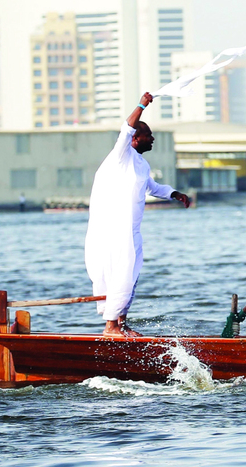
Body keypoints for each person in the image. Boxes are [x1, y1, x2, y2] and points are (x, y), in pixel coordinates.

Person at [85, 93, 191, 337]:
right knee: (120, 276)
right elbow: (126, 128)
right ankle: (111, 326)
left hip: (131, 232)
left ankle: (121, 324)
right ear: (136, 139)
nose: (152, 138)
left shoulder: (141, 164)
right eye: (148, 135)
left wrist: (175, 194)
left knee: (130, 278)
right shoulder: (120, 156)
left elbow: (153, 187)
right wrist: (142, 105)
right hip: (113, 231)